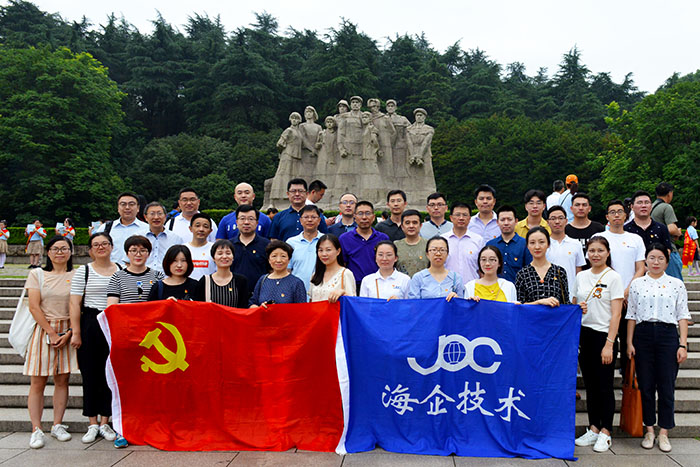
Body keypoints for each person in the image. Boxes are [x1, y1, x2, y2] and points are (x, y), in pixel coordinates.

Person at [627, 243, 690, 453]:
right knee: (646, 385)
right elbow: (631, 315)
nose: (656, 262)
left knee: (666, 386)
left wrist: (682, 344)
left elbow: (682, 315)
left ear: (667, 260)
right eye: (652, 258)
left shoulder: (676, 284)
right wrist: (629, 342)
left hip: (667, 336)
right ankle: (649, 430)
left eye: (660, 258)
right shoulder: (637, 284)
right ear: (645, 260)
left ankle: (664, 432)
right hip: (643, 335)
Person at [572, 236, 624, 453]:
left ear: (607, 253)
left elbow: (616, 314)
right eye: (592, 250)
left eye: (600, 250)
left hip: (604, 336)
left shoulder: (614, 277)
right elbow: (574, 304)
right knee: (591, 385)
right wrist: (579, 307)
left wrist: (609, 344)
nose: (595, 254)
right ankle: (593, 427)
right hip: (585, 335)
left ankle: (606, 430)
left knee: (604, 386)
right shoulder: (581, 276)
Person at [24, 236, 76, 449]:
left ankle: (57, 424)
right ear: (48, 252)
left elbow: (79, 305)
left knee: (62, 380)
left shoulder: (76, 275)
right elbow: (34, 306)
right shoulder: (37, 274)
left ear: (71, 252)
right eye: (55, 248)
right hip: (43, 330)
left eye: (64, 248)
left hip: (68, 330)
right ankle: (36, 428)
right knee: (38, 381)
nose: (60, 252)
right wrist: (52, 333)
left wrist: (70, 332)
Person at [69, 233, 120, 444]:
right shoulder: (84, 271)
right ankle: (92, 422)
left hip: (113, 323)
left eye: (105, 244)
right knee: (90, 374)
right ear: (90, 250)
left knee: (110, 374)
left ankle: (105, 421)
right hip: (90, 322)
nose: (101, 247)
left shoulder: (121, 269)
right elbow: (74, 303)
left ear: (111, 246)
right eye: (96, 245)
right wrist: (76, 332)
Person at [599, 199, 646, 375]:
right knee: (607, 338)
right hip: (606, 297)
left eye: (620, 211)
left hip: (629, 297)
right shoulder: (600, 238)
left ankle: (627, 378)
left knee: (628, 339)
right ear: (607, 216)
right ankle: (606, 377)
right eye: (612, 212)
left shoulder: (635, 239)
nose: (616, 215)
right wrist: (617, 292)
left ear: (626, 215)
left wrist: (626, 291)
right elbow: (598, 266)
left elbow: (640, 268)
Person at [339, 201, 390, 291]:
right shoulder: (344, 239)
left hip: (379, 285)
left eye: (368, 213)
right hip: (354, 286)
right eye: (360, 213)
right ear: (354, 217)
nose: (364, 217)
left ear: (373, 217)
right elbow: (341, 265)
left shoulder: (383, 238)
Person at [515, 227, 570, 306]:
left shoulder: (559, 272)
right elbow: (519, 305)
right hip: (531, 314)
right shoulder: (522, 274)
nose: (537, 247)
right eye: (532, 243)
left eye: (541, 242)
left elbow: (566, 303)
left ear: (548, 244)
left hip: (555, 314)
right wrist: (538, 302)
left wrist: (579, 307)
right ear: (527, 246)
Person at [106, 236, 165, 306]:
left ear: (148, 254)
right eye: (134, 251)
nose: (138, 254)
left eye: (142, 251)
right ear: (127, 254)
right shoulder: (117, 277)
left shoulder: (158, 276)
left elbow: (163, 302)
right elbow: (112, 306)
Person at [94, 192, 148, 265]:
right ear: (118, 208)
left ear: (138, 208)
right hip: (112, 271)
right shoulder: (106, 228)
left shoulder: (147, 229)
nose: (127, 207)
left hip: (138, 270)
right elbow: (95, 251)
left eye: (131, 204)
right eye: (123, 204)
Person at [249, 240, 306, 306]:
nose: (278, 260)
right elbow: (252, 303)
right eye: (274, 256)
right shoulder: (263, 280)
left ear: (289, 260)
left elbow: (302, 308)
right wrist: (260, 307)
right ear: (269, 260)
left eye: (283, 256)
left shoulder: (296, 283)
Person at [546, 205, 585, 300]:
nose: (557, 221)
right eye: (553, 218)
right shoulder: (544, 245)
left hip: (571, 295)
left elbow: (579, 272)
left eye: (560, 218)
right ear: (548, 222)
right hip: (548, 296)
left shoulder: (576, 244)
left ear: (566, 221)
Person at [196, 239, 248, 307]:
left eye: (228, 253)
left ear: (233, 257)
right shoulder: (205, 281)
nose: (224, 256)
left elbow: (243, 308)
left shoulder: (241, 281)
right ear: (213, 258)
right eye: (220, 253)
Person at [487, 205, 532, 283]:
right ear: (497, 222)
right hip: (494, 288)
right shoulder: (490, 245)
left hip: (518, 288)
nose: (506, 223)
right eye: (502, 220)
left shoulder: (525, 244)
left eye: (509, 219)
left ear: (516, 221)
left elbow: (529, 270)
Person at [442, 202, 484, 284]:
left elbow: (482, 268)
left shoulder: (478, 240)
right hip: (447, 287)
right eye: (457, 215)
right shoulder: (443, 240)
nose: (461, 218)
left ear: (469, 218)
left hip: (472, 288)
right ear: (451, 218)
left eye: (465, 215)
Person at [624, 191, 674, 259]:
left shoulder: (662, 228)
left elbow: (667, 251)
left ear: (651, 206)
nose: (643, 206)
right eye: (639, 203)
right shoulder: (625, 230)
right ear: (632, 207)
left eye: (647, 202)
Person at [231, 205, 270, 291]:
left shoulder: (267, 245)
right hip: (233, 292)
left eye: (251, 219)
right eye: (242, 219)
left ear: (257, 222)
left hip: (259, 293)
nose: (246, 222)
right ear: (237, 222)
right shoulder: (229, 246)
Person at [309, 234, 356, 303]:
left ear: (338, 251)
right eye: (320, 250)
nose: (324, 254)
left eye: (328, 250)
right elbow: (311, 302)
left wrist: (343, 293)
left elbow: (352, 301)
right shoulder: (315, 275)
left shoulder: (345, 274)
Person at [651, 182, 683, 281]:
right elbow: (671, 228)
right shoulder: (666, 207)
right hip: (669, 250)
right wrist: (678, 232)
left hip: (653, 250)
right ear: (669, 194)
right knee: (675, 282)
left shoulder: (651, 207)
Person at [288, 205, 324, 291]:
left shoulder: (326, 241)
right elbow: (287, 270)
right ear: (300, 220)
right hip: (296, 291)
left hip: (321, 291)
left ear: (319, 220)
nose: (310, 220)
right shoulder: (291, 242)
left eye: (313, 217)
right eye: (306, 217)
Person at [143, 201, 184, 274]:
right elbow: (129, 261)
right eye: (152, 214)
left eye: (159, 213)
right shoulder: (138, 237)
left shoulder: (176, 239)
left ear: (165, 216)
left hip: (167, 279)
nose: (156, 217)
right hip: (143, 279)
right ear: (145, 217)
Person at [395, 210, 429, 277]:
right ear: (402, 226)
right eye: (407, 223)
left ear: (420, 225)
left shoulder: (429, 245)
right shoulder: (396, 246)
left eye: (415, 223)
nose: (411, 226)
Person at [185, 213, 217, 281]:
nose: (201, 229)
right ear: (190, 228)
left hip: (208, 286)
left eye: (205, 226)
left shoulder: (215, 249)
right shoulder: (183, 249)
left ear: (210, 231)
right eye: (197, 226)